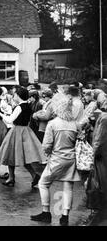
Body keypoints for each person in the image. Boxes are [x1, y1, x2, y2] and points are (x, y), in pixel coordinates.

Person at [31, 96, 81, 226]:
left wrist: (47, 155)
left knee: (43, 183)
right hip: (71, 158)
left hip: (56, 158)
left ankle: (46, 212)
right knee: (68, 187)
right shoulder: (75, 123)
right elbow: (80, 140)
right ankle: (64, 217)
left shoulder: (53, 124)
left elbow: (47, 145)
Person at [0, 87, 46, 187]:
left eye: (14, 94)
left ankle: (11, 178)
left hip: (17, 131)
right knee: (23, 156)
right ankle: (34, 175)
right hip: (26, 131)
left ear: (18, 95)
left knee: (10, 154)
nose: (13, 96)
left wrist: (0, 114)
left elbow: (10, 120)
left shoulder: (19, 107)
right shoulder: (28, 105)